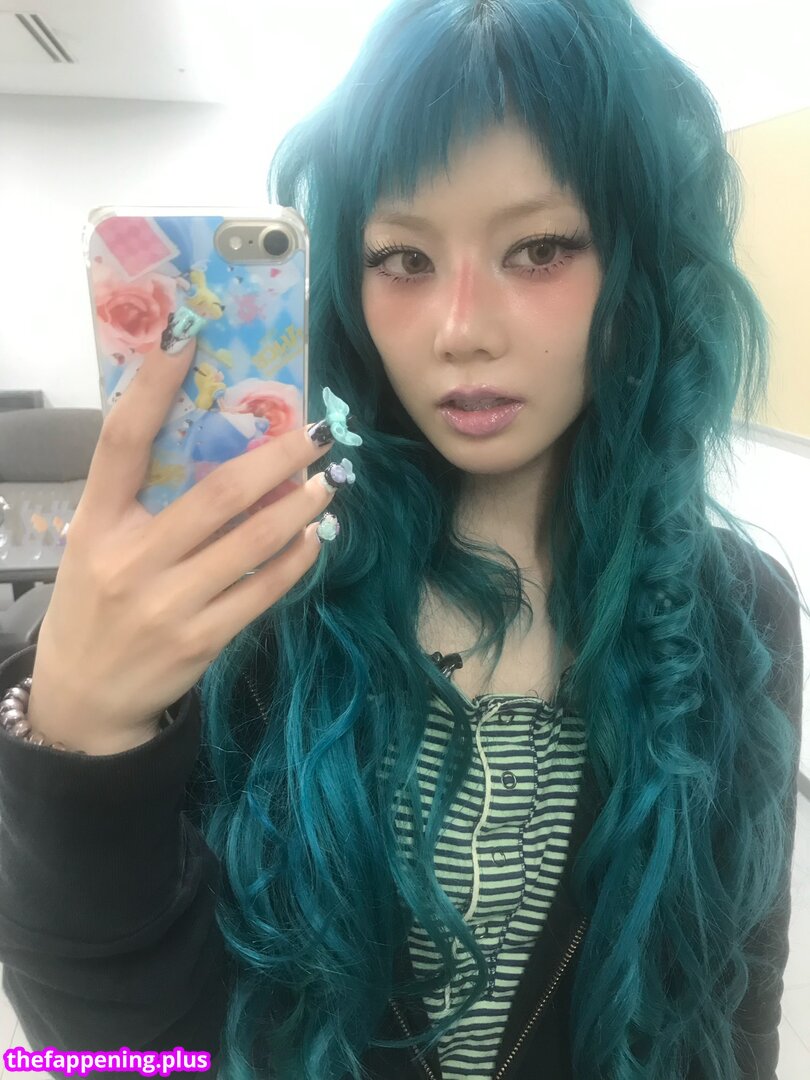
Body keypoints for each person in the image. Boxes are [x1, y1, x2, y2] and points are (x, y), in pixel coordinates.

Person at [0, 1, 805, 1078]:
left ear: (641, 267)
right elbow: (134, 1058)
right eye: (403, 257)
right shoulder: (260, 590)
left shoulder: (736, 611)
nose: (459, 327)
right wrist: (80, 752)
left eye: (540, 248)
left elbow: (734, 1005)